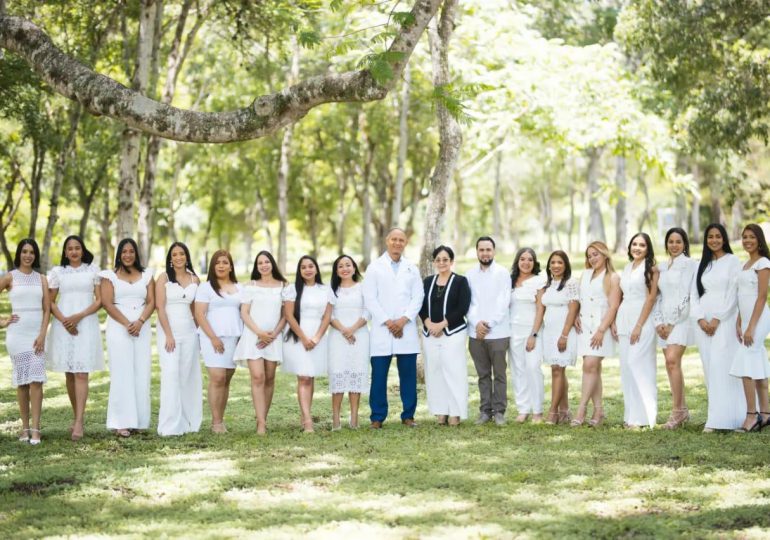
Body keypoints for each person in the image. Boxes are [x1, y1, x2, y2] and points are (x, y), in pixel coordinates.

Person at [363, 227, 424, 429]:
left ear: (405, 243)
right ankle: (377, 417)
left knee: (408, 377)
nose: (398, 243)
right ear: (387, 241)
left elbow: (418, 297)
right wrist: (388, 322)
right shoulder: (374, 267)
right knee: (378, 377)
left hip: (405, 329)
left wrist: (404, 319)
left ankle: (408, 415)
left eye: (401, 240)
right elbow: (370, 298)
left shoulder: (411, 268)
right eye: (394, 239)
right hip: (382, 330)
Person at [47, 235, 103, 441]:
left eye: (77, 248)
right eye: (69, 248)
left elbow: (100, 300)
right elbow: (51, 302)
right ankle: (75, 414)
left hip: (85, 324)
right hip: (64, 326)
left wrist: (78, 317)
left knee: (81, 373)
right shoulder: (57, 272)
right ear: (65, 252)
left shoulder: (92, 270)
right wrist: (65, 321)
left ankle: (79, 421)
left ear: (82, 249)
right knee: (70, 374)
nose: (73, 252)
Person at [691, 223, 745, 432]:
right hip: (702, 324)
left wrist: (717, 319)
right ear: (706, 240)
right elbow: (693, 295)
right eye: (710, 237)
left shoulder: (733, 261)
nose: (714, 240)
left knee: (724, 367)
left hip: (725, 321)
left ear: (724, 238)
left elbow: (734, 294)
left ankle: (735, 417)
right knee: (709, 366)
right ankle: (714, 418)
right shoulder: (701, 264)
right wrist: (701, 319)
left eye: (718, 236)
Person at [100, 238, 155, 437]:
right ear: (119, 254)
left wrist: (139, 321)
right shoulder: (109, 276)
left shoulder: (147, 275)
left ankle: (138, 420)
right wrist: (126, 323)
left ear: (136, 253)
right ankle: (121, 421)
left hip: (142, 326)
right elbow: (107, 303)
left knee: (141, 370)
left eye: (131, 251)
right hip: (118, 327)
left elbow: (151, 301)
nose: (128, 255)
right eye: (124, 252)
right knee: (122, 372)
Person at [1, 239, 49, 445]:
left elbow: (47, 309)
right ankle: (24, 429)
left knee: (36, 381)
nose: (28, 255)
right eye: (24, 252)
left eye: (31, 252)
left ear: (35, 255)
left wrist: (42, 335)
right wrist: (2, 321)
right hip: (17, 335)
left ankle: (36, 430)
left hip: (36, 335)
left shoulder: (42, 279)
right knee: (22, 383)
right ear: (19, 254)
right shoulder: (10, 277)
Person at [234, 250, 287, 434]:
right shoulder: (250, 286)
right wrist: (260, 333)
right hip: (253, 336)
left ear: (272, 263)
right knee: (258, 376)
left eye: (266, 262)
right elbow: (244, 313)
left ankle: (264, 416)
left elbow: (285, 315)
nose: (263, 265)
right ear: (257, 267)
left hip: (273, 337)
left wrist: (272, 335)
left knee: (270, 377)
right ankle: (261, 423)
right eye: (260, 263)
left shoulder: (283, 286)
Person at [419, 245, 471, 426]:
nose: (442, 263)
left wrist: (442, 324)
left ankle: (455, 413)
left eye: (445, 259)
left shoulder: (460, 281)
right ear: (434, 262)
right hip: (430, 334)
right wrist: (429, 324)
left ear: (451, 261)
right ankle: (441, 412)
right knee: (434, 372)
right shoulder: (427, 282)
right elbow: (421, 306)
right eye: (438, 260)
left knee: (454, 371)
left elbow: (462, 307)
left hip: (453, 332)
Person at [653, 228, 698, 429]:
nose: (674, 245)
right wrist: (659, 322)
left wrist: (672, 323)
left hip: (681, 320)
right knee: (670, 365)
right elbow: (657, 296)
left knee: (672, 360)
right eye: (670, 241)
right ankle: (681, 409)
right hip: (663, 322)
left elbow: (688, 296)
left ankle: (678, 411)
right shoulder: (662, 267)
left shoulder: (690, 265)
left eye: (678, 241)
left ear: (684, 244)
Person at [155, 242, 201, 437]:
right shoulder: (163, 278)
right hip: (169, 331)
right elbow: (160, 307)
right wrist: (169, 335)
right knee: (171, 375)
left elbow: (195, 310)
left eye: (182, 253)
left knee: (187, 375)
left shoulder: (195, 279)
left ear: (187, 256)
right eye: (175, 254)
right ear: (170, 258)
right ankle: (169, 425)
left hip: (189, 331)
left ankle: (188, 422)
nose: (179, 257)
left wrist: (200, 333)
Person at [194, 249, 242, 434]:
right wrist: (213, 338)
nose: (221, 266)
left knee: (227, 379)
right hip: (211, 337)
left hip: (233, 337)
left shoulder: (240, 288)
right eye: (217, 263)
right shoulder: (206, 288)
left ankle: (221, 419)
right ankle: (215, 423)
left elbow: (243, 312)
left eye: (225, 262)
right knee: (217, 377)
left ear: (230, 266)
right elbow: (199, 314)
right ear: (213, 267)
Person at [282, 255, 332, 433]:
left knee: (310, 377)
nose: (308, 269)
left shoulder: (325, 290)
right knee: (303, 377)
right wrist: (303, 337)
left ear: (316, 269)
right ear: (299, 271)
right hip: (298, 336)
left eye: (311, 266)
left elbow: (327, 316)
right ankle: (308, 421)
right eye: (303, 267)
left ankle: (305, 415)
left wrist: (317, 337)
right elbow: (288, 315)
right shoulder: (292, 290)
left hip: (317, 336)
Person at [574, 241, 620, 427]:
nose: (592, 258)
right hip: (585, 326)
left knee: (590, 364)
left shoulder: (613, 277)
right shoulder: (584, 275)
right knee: (593, 369)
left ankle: (581, 409)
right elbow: (581, 299)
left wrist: (602, 330)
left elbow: (614, 306)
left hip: (602, 326)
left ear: (605, 255)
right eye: (589, 255)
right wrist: (577, 314)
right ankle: (599, 410)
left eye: (596, 254)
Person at [467, 236, 512, 425]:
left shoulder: (502, 273)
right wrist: (476, 323)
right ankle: (485, 411)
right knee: (483, 374)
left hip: (499, 332)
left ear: (494, 251)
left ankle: (499, 411)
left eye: (488, 249)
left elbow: (504, 302)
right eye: (481, 250)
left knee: (499, 374)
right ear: (477, 251)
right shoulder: (469, 275)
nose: (485, 253)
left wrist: (489, 324)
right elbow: (466, 303)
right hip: (475, 333)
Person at [616, 233, 659, 429]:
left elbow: (651, 298)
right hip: (624, 319)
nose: (637, 248)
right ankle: (630, 416)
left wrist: (639, 325)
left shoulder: (650, 269)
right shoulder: (627, 267)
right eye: (634, 244)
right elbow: (623, 296)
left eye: (642, 245)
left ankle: (644, 416)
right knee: (626, 368)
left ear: (648, 248)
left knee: (638, 364)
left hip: (642, 320)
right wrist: (617, 321)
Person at [730, 224, 770, 432]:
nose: (747, 240)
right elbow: (742, 295)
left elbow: (761, 297)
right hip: (746, 318)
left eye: (751, 237)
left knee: (746, 364)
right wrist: (739, 321)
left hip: (759, 318)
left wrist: (751, 327)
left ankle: (751, 416)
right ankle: (766, 413)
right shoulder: (745, 264)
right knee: (758, 359)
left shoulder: (763, 263)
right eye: (744, 237)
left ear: (759, 240)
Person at [327, 254, 370, 430]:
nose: (345, 268)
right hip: (337, 337)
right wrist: (344, 330)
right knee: (338, 374)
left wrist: (352, 329)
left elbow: (368, 312)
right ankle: (336, 419)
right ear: (336, 271)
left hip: (359, 336)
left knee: (355, 373)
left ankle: (354, 419)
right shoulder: (331, 290)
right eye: (340, 266)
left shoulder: (363, 287)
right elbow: (329, 315)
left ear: (354, 268)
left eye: (348, 265)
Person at [536, 250, 579, 425]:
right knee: (558, 369)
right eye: (552, 262)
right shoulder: (547, 285)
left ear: (566, 265)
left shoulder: (571, 283)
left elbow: (573, 309)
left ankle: (553, 412)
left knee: (557, 370)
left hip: (564, 332)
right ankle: (565, 411)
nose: (555, 265)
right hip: (549, 331)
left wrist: (564, 335)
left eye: (560, 262)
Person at [508, 247, 547, 424]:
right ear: (517, 261)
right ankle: (523, 408)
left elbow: (540, 308)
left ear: (534, 262)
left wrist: (534, 334)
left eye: (530, 259)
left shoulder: (539, 281)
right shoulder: (510, 281)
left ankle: (537, 410)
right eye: (522, 259)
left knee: (533, 368)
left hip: (532, 331)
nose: (526, 263)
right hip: (512, 331)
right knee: (518, 370)